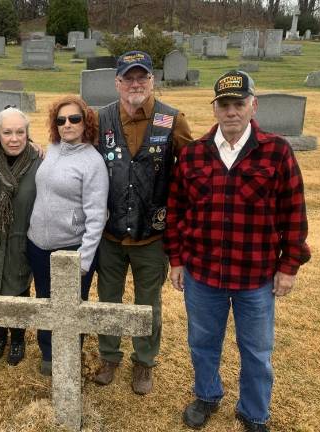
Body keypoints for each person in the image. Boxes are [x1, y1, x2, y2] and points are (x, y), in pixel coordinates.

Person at [165, 70, 311, 432]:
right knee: (202, 343)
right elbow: (177, 211)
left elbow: (293, 212)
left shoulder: (276, 151)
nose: (232, 111)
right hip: (203, 273)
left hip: (255, 276)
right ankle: (207, 395)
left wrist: (289, 266)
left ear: (253, 106)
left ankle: (253, 412)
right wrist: (177, 259)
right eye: (225, 104)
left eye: (239, 104)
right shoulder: (194, 154)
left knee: (257, 352)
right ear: (215, 109)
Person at [93, 51, 193, 395]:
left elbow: (193, 169)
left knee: (147, 302)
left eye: (142, 77)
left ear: (153, 81)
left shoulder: (172, 120)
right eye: (128, 78)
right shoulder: (101, 119)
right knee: (108, 299)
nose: (135, 84)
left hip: (152, 234)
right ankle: (109, 356)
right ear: (117, 82)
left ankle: (144, 361)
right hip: (110, 233)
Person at [27, 95, 109, 376]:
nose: (67, 124)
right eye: (61, 120)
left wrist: (84, 259)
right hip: (38, 244)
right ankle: (48, 352)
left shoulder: (93, 162)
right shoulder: (51, 150)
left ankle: (69, 354)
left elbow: (97, 216)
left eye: (74, 118)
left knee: (71, 307)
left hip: (71, 248)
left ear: (86, 122)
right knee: (44, 300)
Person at [0, 107, 41, 366]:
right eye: (7, 132)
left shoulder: (38, 160)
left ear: (27, 134)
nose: (14, 138)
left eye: (20, 132)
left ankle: (17, 339)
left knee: (20, 289)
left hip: (21, 238)